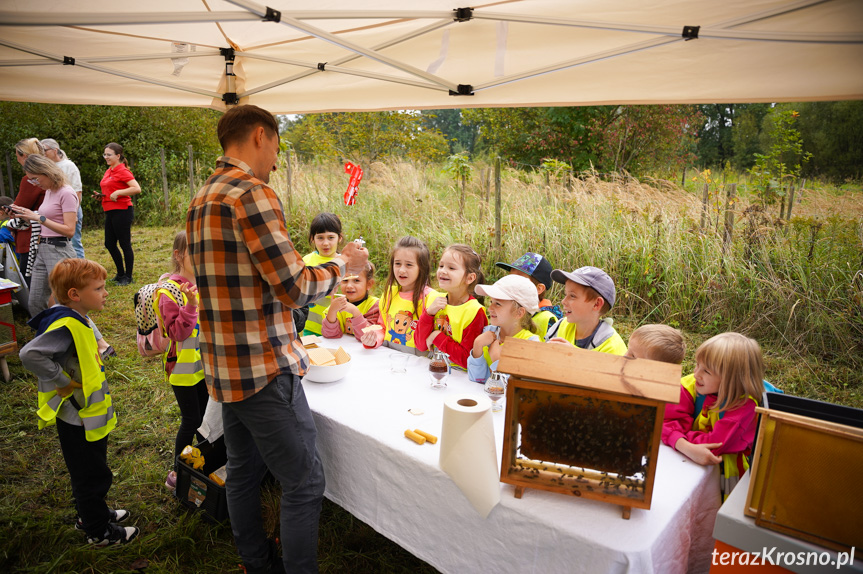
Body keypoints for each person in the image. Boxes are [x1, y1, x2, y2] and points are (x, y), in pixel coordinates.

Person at [186, 104, 368, 574]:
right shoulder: (252, 193)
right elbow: (295, 286)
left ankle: (255, 562)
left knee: (245, 471)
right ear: (260, 135)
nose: (276, 158)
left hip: (226, 363)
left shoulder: (202, 196)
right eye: (276, 147)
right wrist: (342, 265)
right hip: (264, 365)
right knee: (305, 482)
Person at [19, 258, 139, 546]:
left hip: (86, 414)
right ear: (74, 295)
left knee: (92, 469)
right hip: (77, 416)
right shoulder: (65, 325)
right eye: (98, 288)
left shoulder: (77, 316)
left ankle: (92, 513)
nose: (106, 293)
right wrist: (61, 380)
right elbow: (28, 354)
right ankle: (98, 531)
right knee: (91, 474)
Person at [661, 332, 765, 499]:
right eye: (697, 365)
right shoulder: (691, 385)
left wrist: (677, 436)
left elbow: (713, 446)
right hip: (686, 466)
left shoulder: (745, 407)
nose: (696, 374)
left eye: (706, 371)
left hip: (725, 481)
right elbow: (662, 420)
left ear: (732, 379)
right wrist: (686, 446)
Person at [157, 231, 207, 492]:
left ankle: (201, 461)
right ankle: (178, 472)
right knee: (191, 420)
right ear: (178, 255)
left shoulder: (204, 283)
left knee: (206, 420)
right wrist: (190, 305)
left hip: (205, 367)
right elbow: (176, 332)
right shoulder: (169, 291)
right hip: (183, 370)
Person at [10, 155, 77, 316]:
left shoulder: (66, 193)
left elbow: (69, 230)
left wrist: (38, 218)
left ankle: (96, 340)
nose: (34, 183)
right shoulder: (48, 192)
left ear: (46, 172)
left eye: (35, 179)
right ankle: (47, 337)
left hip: (59, 249)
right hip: (42, 248)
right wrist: (22, 215)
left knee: (66, 302)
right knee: (35, 303)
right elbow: (44, 220)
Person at [357, 236, 440, 354]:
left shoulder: (430, 298)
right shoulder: (389, 294)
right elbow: (383, 327)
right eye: (397, 263)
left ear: (421, 268)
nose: (401, 270)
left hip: (418, 364)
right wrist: (373, 338)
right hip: (390, 358)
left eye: (409, 265)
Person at [414, 244, 488, 369]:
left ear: (470, 278)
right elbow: (420, 345)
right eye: (441, 265)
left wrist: (437, 337)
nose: (443, 270)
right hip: (433, 368)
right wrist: (429, 314)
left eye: (451, 268)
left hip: (459, 377)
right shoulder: (433, 299)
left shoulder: (474, 312)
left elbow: (467, 360)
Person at [467, 275, 541, 383]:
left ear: (519, 312)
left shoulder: (531, 344)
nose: (490, 308)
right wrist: (477, 346)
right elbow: (477, 379)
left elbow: (516, 389)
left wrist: (497, 361)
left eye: (498, 304)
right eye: (491, 302)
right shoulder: (488, 332)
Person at [545, 266, 627, 355]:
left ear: (597, 304)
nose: (563, 301)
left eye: (572, 296)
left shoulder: (612, 348)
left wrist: (574, 355)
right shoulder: (560, 326)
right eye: (565, 294)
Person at [97, 142, 140, 286]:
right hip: (110, 210)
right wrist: (102, 196)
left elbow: (136, 188)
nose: (106, 157)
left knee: (124, 244)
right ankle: (120, 273)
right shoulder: (109, 170)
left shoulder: (123, 171)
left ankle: (128, 277)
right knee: (109, 243)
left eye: (109, 155)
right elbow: (111, 189)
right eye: (105, 154)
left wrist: (119, 192)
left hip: (122, 211)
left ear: (118, 155)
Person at [495, 252, 562, 339]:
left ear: (539, 289)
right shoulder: (507, 311)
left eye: (519, 279)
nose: (510, 282)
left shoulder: (549, 320)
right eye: (510, 277)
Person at [41, 138, 84, 258]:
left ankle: (80, 273)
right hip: (56, 210)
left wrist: (74, 213)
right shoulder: (47, 167)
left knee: (74, 243)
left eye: (45, 150)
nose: (43, 153)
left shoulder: (68, 165)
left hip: (71, 209)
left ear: (55, 150)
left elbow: (77, 191)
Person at [302, 212, 343, 336]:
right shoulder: (305, 261)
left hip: (336, 326)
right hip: (309, 326)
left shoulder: (344, 263)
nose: (326, 243)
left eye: (331, 237)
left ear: (339, 238)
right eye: (320, 238)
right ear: (312, 239)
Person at [12, 138, 46, 278]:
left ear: (24, 156)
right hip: (44, 232)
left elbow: (19, 208)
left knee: (31, 279)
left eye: (17, 155)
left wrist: (10, 220)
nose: (17, 158)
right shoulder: (46, 174)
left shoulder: (30, 179)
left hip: (31, 235)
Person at [321, 261, 380, 341]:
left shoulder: (374, 306)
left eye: (356, 280)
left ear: (369, 284)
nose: (349, 286)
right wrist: (332, 311)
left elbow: (367, 337)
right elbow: (330, 335)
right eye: (345, 280)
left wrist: (355, 312)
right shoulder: (338, 305)